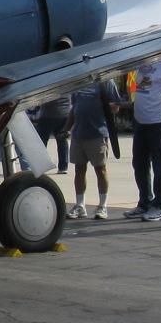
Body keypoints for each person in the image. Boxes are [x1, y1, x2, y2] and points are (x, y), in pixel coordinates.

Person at [124, 54, 161, 223]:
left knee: (160, 164)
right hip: (141, 120)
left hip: (159, 121)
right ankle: (145, 202)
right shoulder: (141, 61)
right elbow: (138, 86)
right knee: (139, 163)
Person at [66, 79, 122, 220]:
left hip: (97, 134)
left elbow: (117, 106)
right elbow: (74, 108)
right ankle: (80, 205)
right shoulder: (77, 82)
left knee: (100, 169)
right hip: (78, 134)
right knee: (79, 170)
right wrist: (66, 129)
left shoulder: (106, 82)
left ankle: (102, 206)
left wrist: (105, 106)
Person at [30, 93, 72, 176]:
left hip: (47, 115)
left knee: (42, 142)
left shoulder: (49, 81)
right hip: (64, 114)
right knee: (62, 141)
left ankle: (41, 166)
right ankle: (63, 167)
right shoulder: (65, 83)